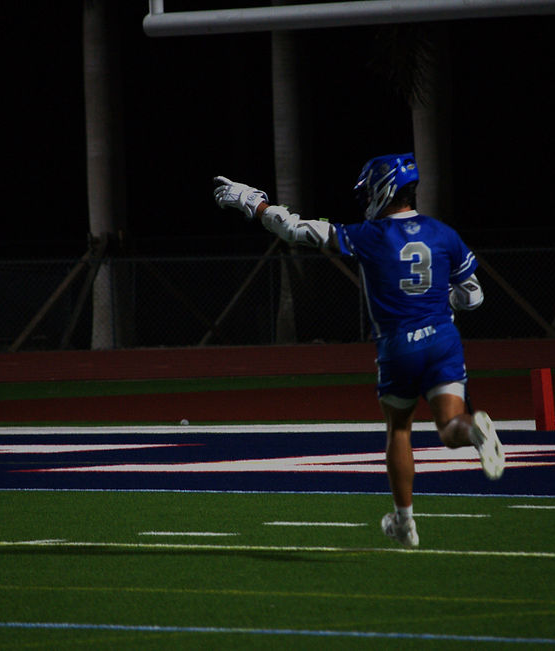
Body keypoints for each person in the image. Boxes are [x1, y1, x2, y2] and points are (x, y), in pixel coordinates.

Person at [213, 153, 504, 548]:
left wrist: (253, 202)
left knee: (399, 429)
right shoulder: (443, 233)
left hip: (398, 344)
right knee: (450, 425)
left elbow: (297, 230)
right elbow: (473, 297)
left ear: (383, 189)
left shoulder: (370, 235)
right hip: (442, 338)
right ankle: (476, 432)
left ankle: (405, 522)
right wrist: (439, 303)